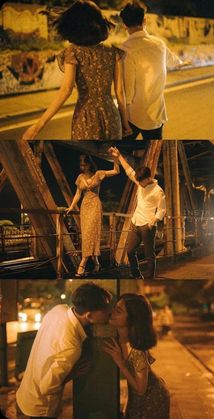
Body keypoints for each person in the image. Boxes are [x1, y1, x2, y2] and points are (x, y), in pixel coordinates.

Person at [22, 1, 131, 140]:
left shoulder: (73, 53)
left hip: (85, 118)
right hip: (112, 116)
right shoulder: (113, 52)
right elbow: (120, 92)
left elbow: (66, 90)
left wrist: (38, 125)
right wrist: (125, 123)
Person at [16, 282, 112, 419]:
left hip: (26, 392)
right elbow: (47, 387)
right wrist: (72, 373)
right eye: (105, 309)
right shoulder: (71, 346)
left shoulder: (58, 310)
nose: (109, 312)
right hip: (41, 408)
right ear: (89, 316)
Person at [119, 1, 188, 140]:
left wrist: (124, 122)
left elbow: (128, 91)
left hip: (134, 116)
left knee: (123, 149)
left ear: (124, 25)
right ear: (144, 20)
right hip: (155, 115)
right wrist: (183, 63)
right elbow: (173, 60)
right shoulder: (159, 44)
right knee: (154, 149)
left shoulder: (125, 50)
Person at [104, 293, 170, 419]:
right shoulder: (120, 339)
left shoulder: (137, 351)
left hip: (153, 398)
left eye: (118, 311)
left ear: (132, 319)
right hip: (138, 398)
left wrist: (120, 362)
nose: (112, 312)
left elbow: (141, 389)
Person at [108, 146, 166, 280]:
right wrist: (119, 155)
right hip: (135, 223)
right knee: (130, 251)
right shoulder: (141, 182)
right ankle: (137, 276)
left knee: (149, 254)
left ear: (148, 178)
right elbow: (129, 171)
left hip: (148, 225)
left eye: (141, 182)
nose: (139, 184)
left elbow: (162, 209)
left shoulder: (158, 191)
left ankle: (149, 278)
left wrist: (153, 222)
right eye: (138, 181)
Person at [66, 154, 120, 277]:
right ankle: (96, 262)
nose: (82, 167)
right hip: (85, 207)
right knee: (86, 235)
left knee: (92, 233)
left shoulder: (99, 174)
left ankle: (83, 263)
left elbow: (117, 171)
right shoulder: (80, 177)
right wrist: (71, 206)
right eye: (81, 165)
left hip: (95, 205)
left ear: (90, 164)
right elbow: (78, 194)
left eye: (84, 164)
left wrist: (116, 158)